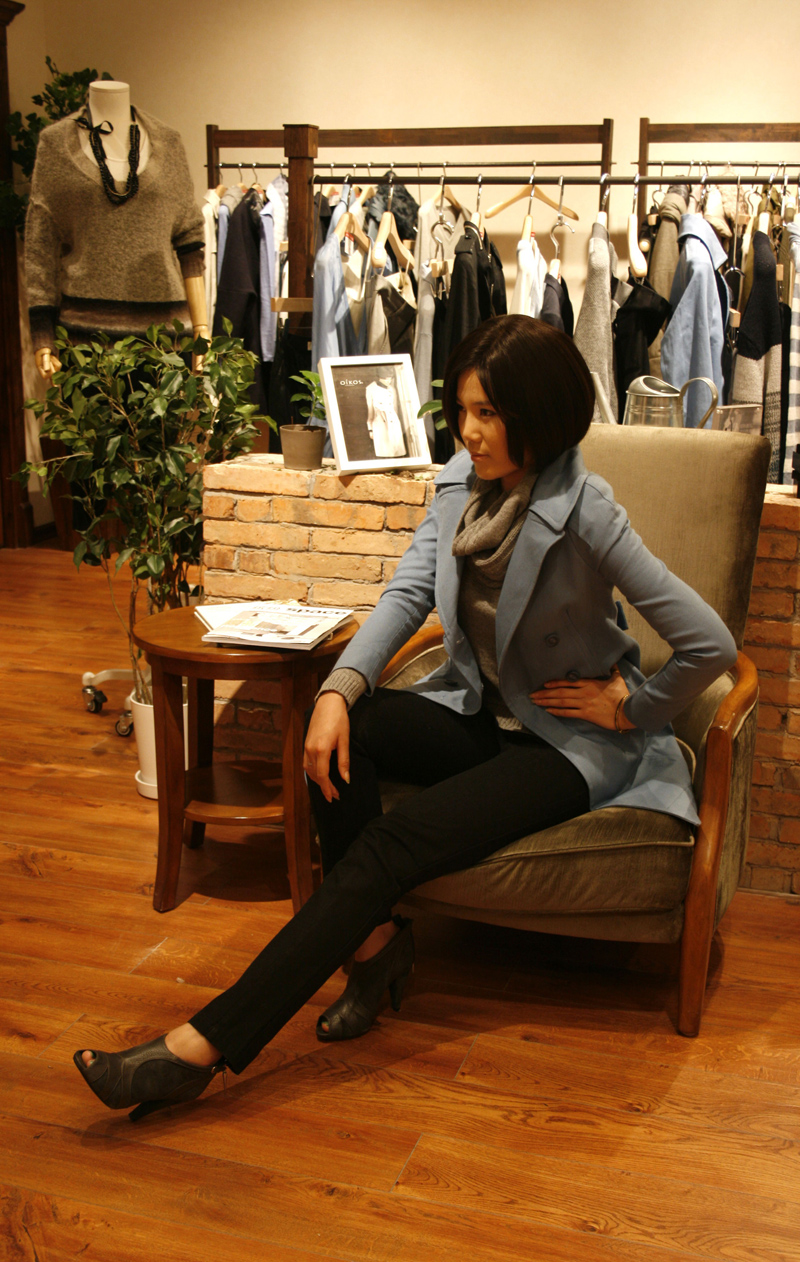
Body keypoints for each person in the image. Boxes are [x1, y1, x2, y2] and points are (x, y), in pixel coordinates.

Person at [73, 314, 737, 1119]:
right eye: (462, 410)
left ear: (537, 414)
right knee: (344, 732)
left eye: (489, 413)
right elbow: (407, 593)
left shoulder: (585, 509)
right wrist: (335, 693)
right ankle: (375, 945)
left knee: (392, 846)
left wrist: (632, 707)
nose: (469, 431)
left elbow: (709, 643)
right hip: (483, 714)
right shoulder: (461, 484)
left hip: (568, 744)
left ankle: (204, 1045)